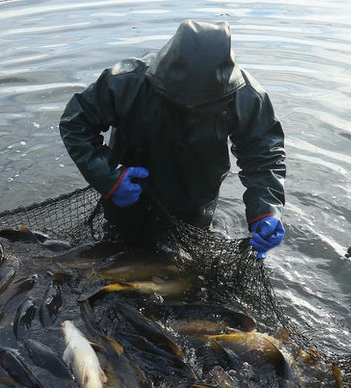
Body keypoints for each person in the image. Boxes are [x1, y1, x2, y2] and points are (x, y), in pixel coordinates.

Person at [60, 19, 286, 259]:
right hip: (128, 195)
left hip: (194, 205)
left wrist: (266, 210)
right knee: (118, 254)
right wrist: (109, 177)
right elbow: (76, 122)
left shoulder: (246, 96)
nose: (190, 106)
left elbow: (263, 155)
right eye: (182, 101)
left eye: (201, 104)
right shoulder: (127, 81)